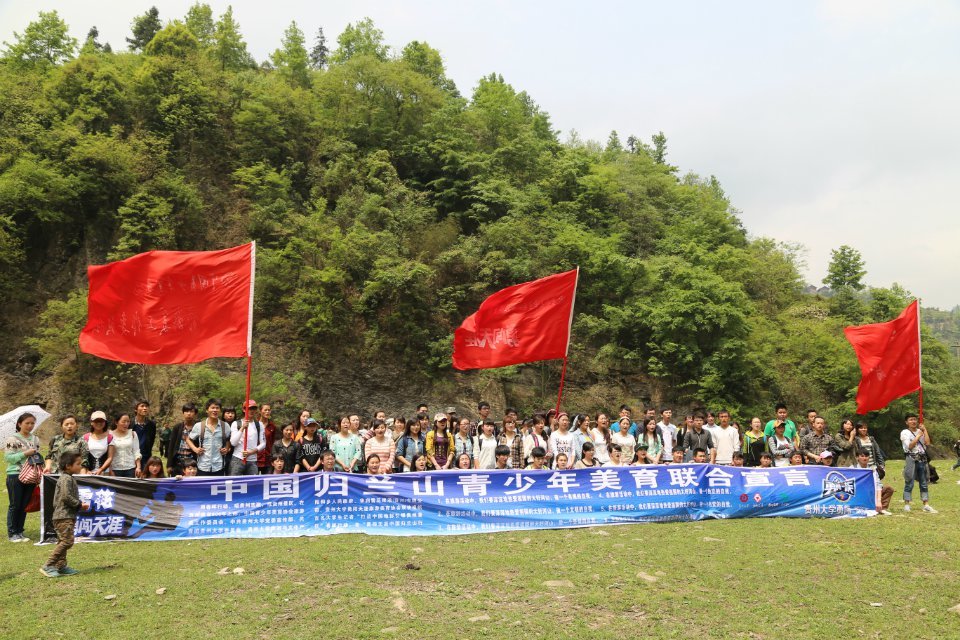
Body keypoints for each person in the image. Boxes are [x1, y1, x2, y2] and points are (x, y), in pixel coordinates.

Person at [40, 452, 89, 577]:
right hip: (63, 515)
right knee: (67, 541)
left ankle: (60, 566)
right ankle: (48, 565)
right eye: (78, 464)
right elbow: (66, 496)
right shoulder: (66, 478)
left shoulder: (69, 478)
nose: (80, 466)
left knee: (63, 540)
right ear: (68, 466)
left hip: (66, 515)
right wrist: (79, 504)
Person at [5, 412, 41, 542]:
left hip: (31, 475)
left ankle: (20, 531)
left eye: (32, 423)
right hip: (15, 474)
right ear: (19, 424)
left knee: (25, 504)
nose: (30, 426)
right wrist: (25, 453)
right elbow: (8, 458)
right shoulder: (12, 439)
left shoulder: (35, 439)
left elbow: (37, 456)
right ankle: (12, 532)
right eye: (27, 423)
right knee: (15, 504)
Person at [901, 413, 936, 513]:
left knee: (924, 482)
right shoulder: (905, 433)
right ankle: (907, 504)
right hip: (911, 458)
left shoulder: (920, 431)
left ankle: (926, 504)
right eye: (911, 419)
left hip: (922, 458)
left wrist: (924, 431)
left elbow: (927, 443)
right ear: (906, 422)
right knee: (909, 481)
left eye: (915, 419)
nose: (913, 421)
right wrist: (918, 436)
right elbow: (910, 446)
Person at [187, 399, 230, 477]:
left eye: (217, 408)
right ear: (207, 410)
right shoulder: (199, 425)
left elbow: (228, 440)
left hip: (219, 466)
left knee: (217, 488)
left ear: (220, 410)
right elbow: (189, 439)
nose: (215, 410)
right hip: (203, 465)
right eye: (212, 408)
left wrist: (226, 448)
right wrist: (195, 449)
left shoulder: (225, 426)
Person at [229, 400, 266, 476]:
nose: (252, 411)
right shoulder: (236, 423)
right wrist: (242, 428)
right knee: (234, 483)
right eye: (249, 408)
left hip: (252, 460)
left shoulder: (259, 425)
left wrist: (251, 452)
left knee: (252, 484)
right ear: (244, 409)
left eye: (254, 409)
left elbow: (263, 443)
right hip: (237, 459)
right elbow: (233, 442)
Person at [851, 449, 893, 515]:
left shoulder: (872, 470)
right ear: (857, 458)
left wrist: (879, 501)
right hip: (858, 493)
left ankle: (881, 508)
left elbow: (878, 484)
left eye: (866, 456)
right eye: (862, 456)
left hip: (871, 492)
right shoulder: (852, 469)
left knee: (888, 489)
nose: (864, 458)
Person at [165, 403, 197, 475]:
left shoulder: (198, 427)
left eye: (191, 411)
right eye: (186, 411)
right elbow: (171, 446)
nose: (189, 414)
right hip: (178, 461)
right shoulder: (177, 427)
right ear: (183, 413)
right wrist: (169, 465)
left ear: (195, 413)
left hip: (192, 461)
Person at [110, 413, 142, 478]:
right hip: (115, 468)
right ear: (116, 422)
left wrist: (138, 467)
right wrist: (110, 469)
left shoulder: (133, 434)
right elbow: (108, 454)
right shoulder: (110, 435)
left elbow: (136, 451)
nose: (126, 424)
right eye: (123, 422)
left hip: (130, 468)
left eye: (128, 422)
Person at [84, 411, 114, 476]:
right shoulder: (86, 437)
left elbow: (110, 457)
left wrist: (101, 469)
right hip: (88, 473)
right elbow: (82, 456)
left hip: (104, 472)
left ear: (105, 422)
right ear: (91, 422)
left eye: (101, 421)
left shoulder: (110, 437)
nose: (99, 423)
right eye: (96, 421)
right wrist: (86, 470)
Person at [132, 399, 156, 465]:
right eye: (142, 406)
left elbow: (151, 440)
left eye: (146, 406)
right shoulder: (130, 424)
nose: (145, 408)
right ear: (135, 409)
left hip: (146, 457)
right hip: (131, 457)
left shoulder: (152, 424)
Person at [256, 403, 278, 475]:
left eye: (269, 410)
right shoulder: (255, 424)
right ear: (260, 411)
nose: (267, 412)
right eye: (265, 410)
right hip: (255, 458)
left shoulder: (272, 426)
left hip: (268, 459)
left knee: (267, 481)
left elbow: (273, 442)